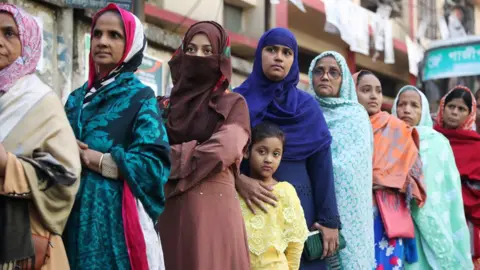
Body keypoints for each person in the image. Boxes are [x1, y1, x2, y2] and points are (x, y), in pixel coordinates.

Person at [63, 4, 171, 269]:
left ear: (131, 44)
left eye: (114, 35)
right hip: (66, 217)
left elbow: (154, 165)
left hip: (112, 225)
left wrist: (95, 160)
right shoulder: (75, 100)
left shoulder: (140, 98)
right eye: (97, 34)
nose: (102, 41)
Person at [235, 28, 340, 270]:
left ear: (294, 61)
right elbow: (226, 157)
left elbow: (322, 168)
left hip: (301, 210)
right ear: (259, 54)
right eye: (271, 50)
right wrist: (238, 180)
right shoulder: (238, 102)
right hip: (250, 208)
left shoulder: (307, 107)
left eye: (287, 52)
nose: (278, 57)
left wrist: (329, 220)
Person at [157, 21, 251, 270]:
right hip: (166, 211)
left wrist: (167, 161)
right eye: (191, 49)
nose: (198, 57)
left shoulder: (233, 104)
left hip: (212, 212)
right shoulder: (162, 106)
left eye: (208, 51)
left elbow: (224, 150)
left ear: (221, 57)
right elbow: (147, 150)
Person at [0, 4, 81, 269]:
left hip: (19, 245)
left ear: (28, 42)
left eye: (9, 33)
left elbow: (66, 174)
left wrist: (7, 165)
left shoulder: (41, 102)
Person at [392, 85, 473, 269]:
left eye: (414, 105)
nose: (407, 109)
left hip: (435, 221)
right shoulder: (386, 139)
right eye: (402, 104)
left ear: (424, 110)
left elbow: (450, 194)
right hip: (396, 226)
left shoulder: (438, 143)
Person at [353, 70, 426, 270]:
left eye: (378, 90)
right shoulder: (346, 126)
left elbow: (413, 175)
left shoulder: (397, 127)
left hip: (387, 215)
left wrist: (386, 181)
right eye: (366, 90)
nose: (374, 95)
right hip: (353, 211)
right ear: (352, 92)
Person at [308, 51, 374, 269]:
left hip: (351, 215)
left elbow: (353, 170)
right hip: (307, 204)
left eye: (333, 72)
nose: (325, 77)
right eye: (319, 71)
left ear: (343, 79)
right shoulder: (302, 111)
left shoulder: (356, 116)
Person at [240, 122, 309, 270]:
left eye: (276, 154)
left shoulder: (285, 191)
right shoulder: (237, 190)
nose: (269, 159)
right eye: (262, 151)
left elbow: (295, 242)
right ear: (246, 152)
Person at [433, 86, 480, 267]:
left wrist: (451, 193)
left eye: (461, 109)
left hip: (465, 224)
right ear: (442, 108)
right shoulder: (429, 137)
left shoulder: (476, 147)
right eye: (451, 106)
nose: (454, 112)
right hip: (432, 217)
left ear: (470, 114)